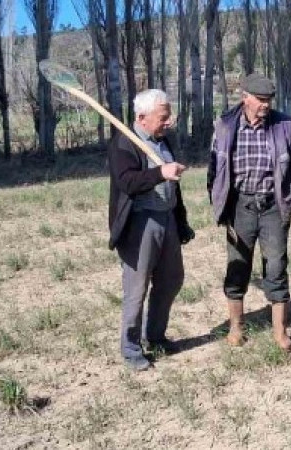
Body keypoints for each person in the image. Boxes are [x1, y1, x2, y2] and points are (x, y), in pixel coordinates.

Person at [207, 73, 291, 352]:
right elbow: (213, 170)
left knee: (276, 266)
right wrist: (222, 206)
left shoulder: (285, 126)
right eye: (260, 100)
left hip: (273, 206)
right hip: (240, 206)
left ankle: (280, 332)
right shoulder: (225, 126)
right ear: (245, 97)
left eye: (269, 100)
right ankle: (236, 328)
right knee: (237, 265)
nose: (265, 105)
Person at [108, 89, 195, 371]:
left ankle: (155, 336)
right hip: (140, 224)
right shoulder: (124, 143)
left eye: (168, 116)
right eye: (163, 117)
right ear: (142, 118)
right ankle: (131, 349)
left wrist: (180, 221)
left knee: (172, 279)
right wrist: (160, 173)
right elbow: (127, 182)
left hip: (166, 219)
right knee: (137, 289)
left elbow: (172, 186)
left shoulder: (163, 140)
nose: (168, 122)